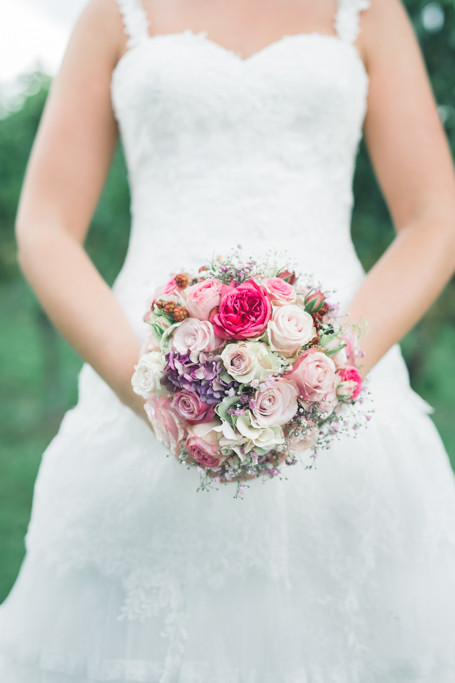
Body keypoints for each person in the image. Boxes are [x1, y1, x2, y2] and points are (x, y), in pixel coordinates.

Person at [1, 0, 455, 680]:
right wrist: (154, 390)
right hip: (144, 369)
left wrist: (325, 369)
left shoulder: (368, 10)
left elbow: (434, 216)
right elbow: (44, 225)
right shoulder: (115, 12)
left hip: (346, 378)